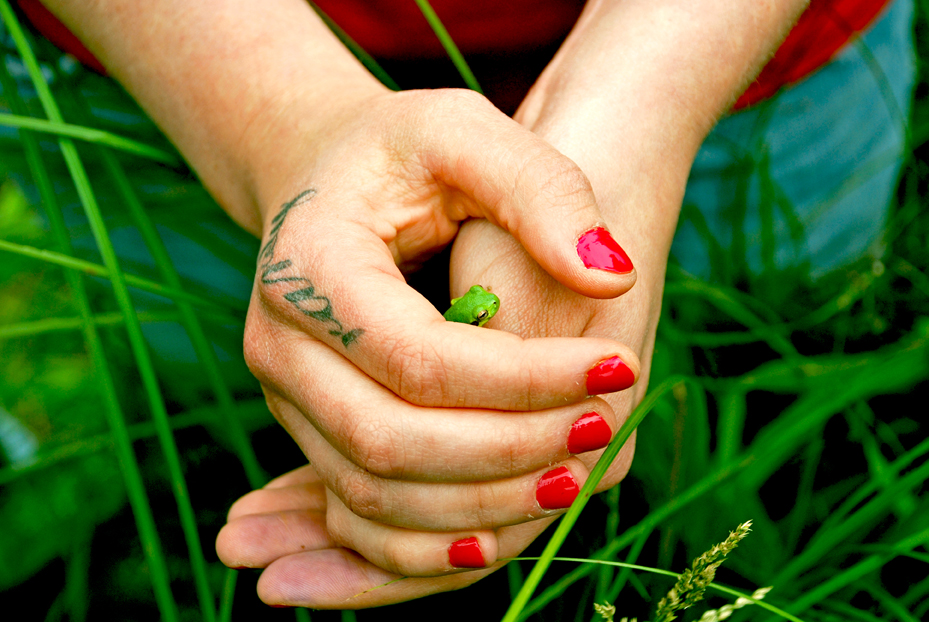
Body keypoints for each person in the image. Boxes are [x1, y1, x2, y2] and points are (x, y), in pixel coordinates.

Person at [23, 0, 914, 609]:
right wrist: (284, 126)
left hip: (744, 48)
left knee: (786, 366)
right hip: (176, 59)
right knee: (258, 405)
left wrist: (633, 107)